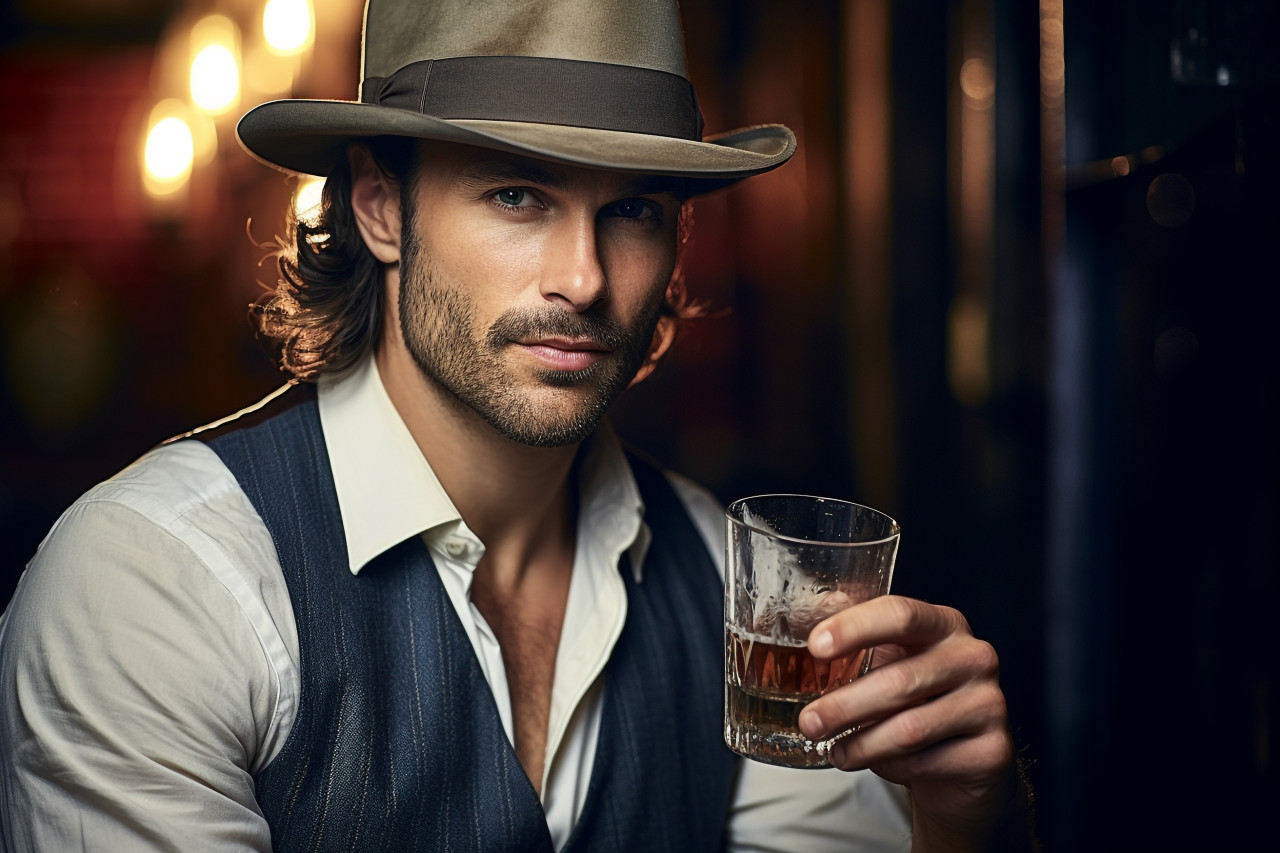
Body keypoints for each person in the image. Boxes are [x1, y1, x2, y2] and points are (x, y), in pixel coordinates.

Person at [0, 0, 1031, 850]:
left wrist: (957, 819)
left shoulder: (733, 587)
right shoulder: (156, 583)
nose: (583, 279)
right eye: (515, 194)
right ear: (378, 206)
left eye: (630, 210)